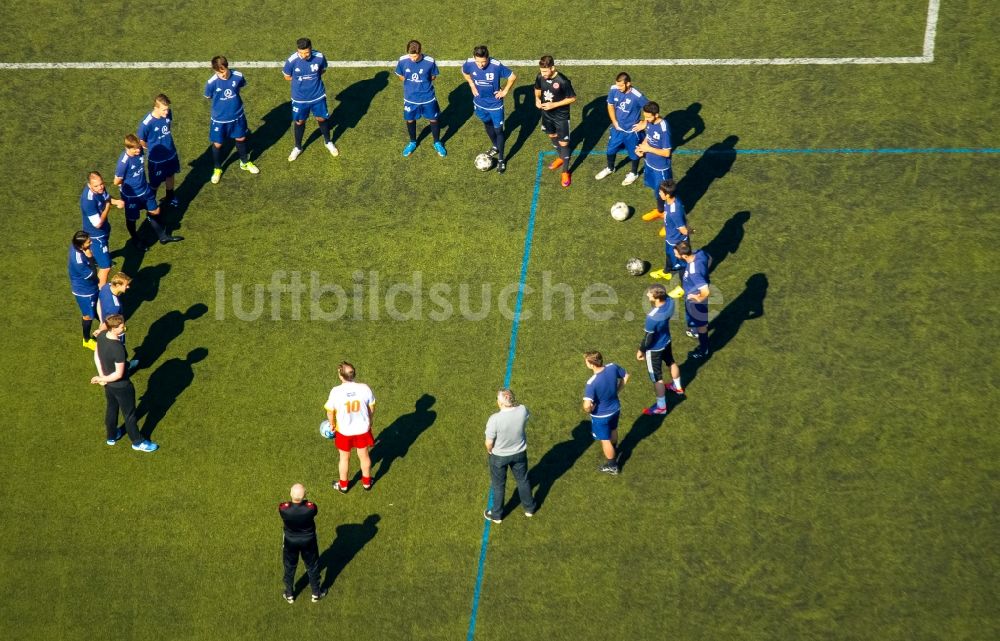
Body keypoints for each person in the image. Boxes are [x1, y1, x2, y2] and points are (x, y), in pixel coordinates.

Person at [90, 314, 159, 451]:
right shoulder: (118, 348)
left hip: (109, 385)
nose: (124, 328)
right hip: (122, 386)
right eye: (122, 326)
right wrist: (102, 378)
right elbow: (119, 374)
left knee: (112, 408)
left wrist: (102, 376)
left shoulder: (102, 335)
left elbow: (96, 355)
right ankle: (137, 442)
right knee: (130, 415)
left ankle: (112, 436)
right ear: (114, 328)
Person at [114, 134, 184, 249]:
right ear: (127, 148)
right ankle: (135, 240)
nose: (138, 150)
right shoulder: (123, 163)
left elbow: (144, 146)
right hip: (132, 196)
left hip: (145, 190)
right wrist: (130, 183)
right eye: (135, 148)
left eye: (138, 147)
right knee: (132, 219)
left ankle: (163, 237)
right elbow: (116, 181)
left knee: (155, 211)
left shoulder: (140, 151)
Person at [483, 388, 536, 523]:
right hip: (519, 453)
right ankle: (529, 508)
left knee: (498, 485)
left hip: (499, 457)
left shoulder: (494, 419)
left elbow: (489, 443)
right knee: (523, 480)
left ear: (501, 403)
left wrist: (490, 450)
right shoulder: (523, 410)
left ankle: (496, 515)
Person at [462, 45, 517, 174]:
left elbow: (512, 77)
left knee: (498, 130)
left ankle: (501, 159)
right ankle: (495, 146)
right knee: (487, 124)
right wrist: (471, 84)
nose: (480, 65)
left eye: (483, 62)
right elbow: (464, 72)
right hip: (479, 103)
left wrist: (505, 91)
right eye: (478, 62)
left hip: (495, 105)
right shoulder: (469, 64)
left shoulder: (496, 65)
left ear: (488, 58)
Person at [204, 56, 259, 184]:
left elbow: (239, 87)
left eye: (223, 71)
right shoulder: (211, 83)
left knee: (241, 138)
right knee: (218, 144)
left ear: (227, 66)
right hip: (219, 119)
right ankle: (217, 168)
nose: (222, 74)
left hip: (237, 116)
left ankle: (244, 162)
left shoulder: (238, 76)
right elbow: (208, 96)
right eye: (218, 72)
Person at [323, 361, 376, 493]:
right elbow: (371, 408)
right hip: (363, 430)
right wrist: (370, 421)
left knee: (344, 458)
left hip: (344, 432)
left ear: (341, 376)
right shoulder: (364, 388)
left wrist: (332, 424)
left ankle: (344, 486)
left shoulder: (336, 391)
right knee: (364, 456)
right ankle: (366, 483)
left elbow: (330, 411)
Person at [283, 37, 338, 161]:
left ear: (311, 49)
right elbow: (287, 77)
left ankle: (328, 142)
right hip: (299, 98)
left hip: (317, 96)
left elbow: (323, 70)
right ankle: (298, 147)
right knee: (299, 122)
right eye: (301, 53)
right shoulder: (292, 61)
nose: (303, 55)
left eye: (306, 52)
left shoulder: (319, 57)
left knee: (322, 118)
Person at [637, 284, 684, 416]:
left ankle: (661, 407)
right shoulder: (670, 302)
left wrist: (641, 350)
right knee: (671, 361)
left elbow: (648, 339)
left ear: (656, 297)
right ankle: (678, 387)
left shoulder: (652, 317)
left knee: (657, 378)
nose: (647, 295)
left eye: (649, 293)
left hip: (655, 349)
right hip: (666, 340)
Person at [395, 40, 446, 158]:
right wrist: (411, 86)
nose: (412, 58)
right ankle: (412, 142)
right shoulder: (402, 60)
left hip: (428, 97)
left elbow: (433, 77)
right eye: (410, 55)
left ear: (420, 52)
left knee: (433, 119)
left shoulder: (429, 61)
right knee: (410, 120)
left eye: (415, 56)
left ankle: (437, 142)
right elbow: (401, 75)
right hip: (410, 98)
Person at [595, 72, 648, 185]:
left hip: (631, 131)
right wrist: (614, 122)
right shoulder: (614, 89)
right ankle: (610, 168)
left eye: (621, 86)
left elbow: (650, 109)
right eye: (617, 85)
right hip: (617, 129)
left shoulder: (637, 96)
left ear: (628, 83)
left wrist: (644, 123)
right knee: (610, 149)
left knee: (634, 154)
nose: (618, 88)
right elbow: (610, 105)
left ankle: (634, 173)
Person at [278, 483, 327, 604]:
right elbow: (314, 510)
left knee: (289, 567)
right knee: (312, 566)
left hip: (290, 542)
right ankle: (316, 593)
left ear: (290, 494)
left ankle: (289, 594)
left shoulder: (283, 509)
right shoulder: (310, 508)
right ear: (305, 495)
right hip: (308, 541)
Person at [583, 351, 629, 475]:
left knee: (605, 439)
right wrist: (617, 391)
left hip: (601, 416)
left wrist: (589, 409)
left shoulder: (591, 383)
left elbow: (587, 406)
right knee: (613, 429)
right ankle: (614, 450)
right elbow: (626, 376)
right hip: (615, 409)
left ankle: (612, 465)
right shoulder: (612, 367)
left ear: (592, 364)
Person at [534, 55, 576, 188]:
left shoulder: (563, 81)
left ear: (553, 68)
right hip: (546, 115)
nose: (543, 74)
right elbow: (537, 90)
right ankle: (560, 157)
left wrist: (554, 105)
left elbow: (572, 98)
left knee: (564, 143)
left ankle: (565, 171)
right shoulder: (540, 77)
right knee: (552, 136)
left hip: (561, 117)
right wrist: (537, 100)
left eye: (546, 71)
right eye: (542, 71)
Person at [79, 171, 124, 289]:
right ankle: (100, 294)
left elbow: (106, 197)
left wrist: (116, 201)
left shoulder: (99, 190)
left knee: (103, 254)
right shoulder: (88, 201)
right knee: (106, 267)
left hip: (103, 231)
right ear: (89, 185)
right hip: (96, 235)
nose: (100, 187)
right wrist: (109, 206)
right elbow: (98, 224)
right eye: (96, 186)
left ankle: (96, 259)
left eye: (101, 184)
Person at [136, 94, 181, 207]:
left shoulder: (167, 114)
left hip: (170, 154)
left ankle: (170, 196)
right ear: (156, 108)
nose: (166, 112)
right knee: (155, 183)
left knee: (170, 175)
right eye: (164, 110)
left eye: (167, 109)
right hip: (156, 160)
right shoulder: (146, 124)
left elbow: (167, 128)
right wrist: (151, 147)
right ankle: (151, 204)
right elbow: (141, 141)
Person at [635, 102, 674, 222]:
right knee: (657, 192)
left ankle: (671, 220)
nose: (645, 120)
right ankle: (660, 211)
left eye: (648, 117)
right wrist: (642, 147)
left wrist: (648, 149)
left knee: (667, 194)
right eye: (644, 116)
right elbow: (649, 136)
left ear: (656, 115)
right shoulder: (649, 122)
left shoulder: (664, 129)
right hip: (650, 163)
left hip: (661, 168)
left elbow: (667, 153)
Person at [675, 240, 713, 359]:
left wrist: (697, 297)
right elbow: (710, 258)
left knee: (701, 325)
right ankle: (695, 331)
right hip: (690, 295)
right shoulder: (699, 253)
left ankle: (704, 349)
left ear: (685, 256)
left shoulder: (694, 272)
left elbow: (706, 292)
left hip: (697, 301)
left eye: (676, 254)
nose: (675, 255)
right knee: (694, 320)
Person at [649, 179, 690, 278]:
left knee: (682, 264)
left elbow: (683, 230)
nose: (659, 193)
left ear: (667, 194)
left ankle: (683, 287)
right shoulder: (670, 200)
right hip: (670, 237)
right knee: (669, 255)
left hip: (678, 242)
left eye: (660, 192)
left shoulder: (674, 211)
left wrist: (692, 231)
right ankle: (666, 272)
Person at [96, 273, 138, 368]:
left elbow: (99, 302)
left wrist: (101, 322)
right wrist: (102, 329)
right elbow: (110, 322)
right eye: (126, 285)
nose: (128, 287)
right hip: (114, 329)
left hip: (105, 325)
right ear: (118, 285)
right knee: (120, 349)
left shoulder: (106, 287)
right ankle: (125, 367)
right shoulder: (115, 306)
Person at [68, 231, 100, 350]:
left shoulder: (75, 246)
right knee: (88, 316)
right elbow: (92, 274)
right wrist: (90, 258)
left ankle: (109, 324)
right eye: (88, 242)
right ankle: (86, 340)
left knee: (97, 306)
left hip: (90, 287)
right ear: (81, 246)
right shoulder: (79, 261)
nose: (91, 242)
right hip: (85, 291)